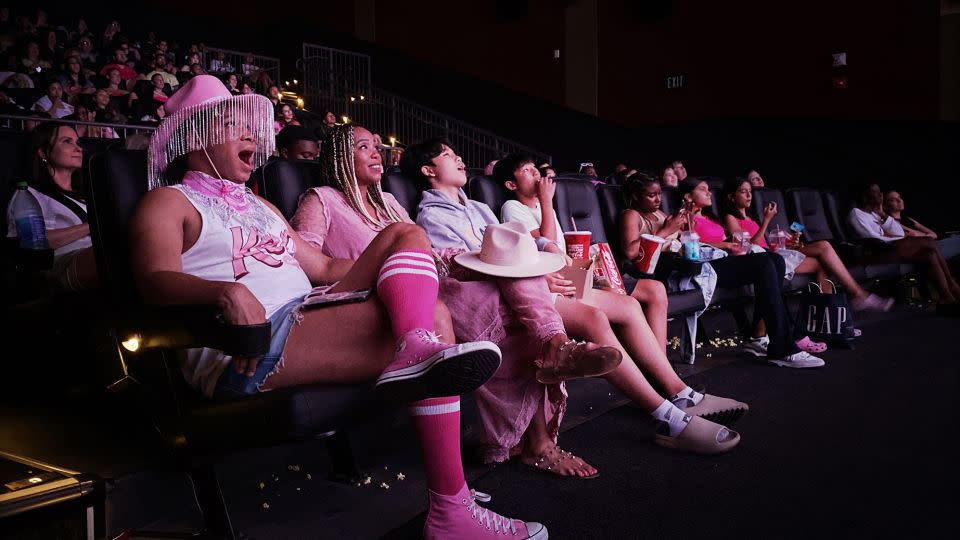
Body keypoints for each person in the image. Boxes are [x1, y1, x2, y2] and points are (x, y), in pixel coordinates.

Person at [131, 76, 543, 539]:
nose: (250, 135)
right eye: (233, 125)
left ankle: (417, 355)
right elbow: (152, 282)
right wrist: (223, 292)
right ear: (196, 137)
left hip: (306, 310)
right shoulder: (167, 201)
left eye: (249, 127)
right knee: (433, 319)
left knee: (405, 236)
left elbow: (324, 266)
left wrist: (403, 270)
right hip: (245, 344)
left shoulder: (260, 205)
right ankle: (452, 507)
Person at [297, 128, 627, 474]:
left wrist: (468, 259)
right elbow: (310, 264)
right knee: (496, 301)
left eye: (377, 147)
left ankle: (553, 344)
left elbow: (427, 250)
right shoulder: (319, 199)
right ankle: (543, 423)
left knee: (511, 267)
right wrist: (383, 267)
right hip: (388, 296)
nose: (377, 153)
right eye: (364, 148)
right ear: (339, 156)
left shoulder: (389, 202)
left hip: (432, 279)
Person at [404, 137, 744, 459]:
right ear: (428, 171)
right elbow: (467, 269)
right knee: (593, 318)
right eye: (448, 155)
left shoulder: (478, 207)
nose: (459, 158)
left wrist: (547, 250)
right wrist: (538, 273)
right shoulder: (432, 216)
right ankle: (667, 417)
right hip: (507, 296)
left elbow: (519, 243)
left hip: (535, 282)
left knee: (626, 305)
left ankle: (679, 394)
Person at [497, 153, 671, 349]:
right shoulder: (512, 207)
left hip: (574, 269)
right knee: (619, 296)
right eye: (526, 171)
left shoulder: (545, 207)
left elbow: (560, 248)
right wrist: (547, 201)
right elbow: (547, 245)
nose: (536, 172)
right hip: (556, 277)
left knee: (656, 289)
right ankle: (642, 360)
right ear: (512, 185)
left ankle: (659, 359)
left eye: (534, 167)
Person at [677, 177, 827, 367]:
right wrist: (725, 244)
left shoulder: (711, 218)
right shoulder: (683, 218)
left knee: (775, 259)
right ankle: (784, 347)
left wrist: (733, 245)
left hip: (727, 260)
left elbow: (733, 242)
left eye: (709, 190)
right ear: (688, 196)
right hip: (706, 267)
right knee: (765, 263)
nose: (709, 193)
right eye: (703, 189)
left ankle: (761, 338)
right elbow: (686, 245)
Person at [722, 177, 893, 312]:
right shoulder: (731, 218)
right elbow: (749, 247)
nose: (749, 195)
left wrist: (790, 242)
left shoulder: (751, 218)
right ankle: (858, 295)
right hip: (762, 261)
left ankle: (826, 317)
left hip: (774, 255)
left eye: (750, 191)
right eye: (743, 192)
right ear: (731, 197)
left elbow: (765, 243)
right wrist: (767, 221)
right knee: (824, 246)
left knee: (821, 264)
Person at [5, 123, 98, 290]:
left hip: (91, 255)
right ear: (43, 152)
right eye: (67, 141)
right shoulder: (29, 195)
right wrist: (91, 226)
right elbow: (30, 242)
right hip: (58, 265)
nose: (78, 148)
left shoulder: (85, 194)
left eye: (78, 143)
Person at [849, 183, 960, 307]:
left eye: (880, 191)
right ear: (865, 197)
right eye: (875, 191)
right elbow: (870, 238)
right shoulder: (856, 213)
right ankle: (952, 285)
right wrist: (892, 238)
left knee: (929, 254)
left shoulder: (875, 214)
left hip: (890, 247)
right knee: (929, 241)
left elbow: (899, 233)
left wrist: (881, 213)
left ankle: (946, 297)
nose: (880, 195)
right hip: (877, 252)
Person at [885, 189, 960, 262]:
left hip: (931, 244)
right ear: (886, 206)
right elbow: (913, 235)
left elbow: (934, 235)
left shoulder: (909, 219)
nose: (899, 200)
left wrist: (921, 235)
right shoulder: (891, 222)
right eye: (893, 200)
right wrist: (925, 236)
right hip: (919, 249)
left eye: (899, 197)